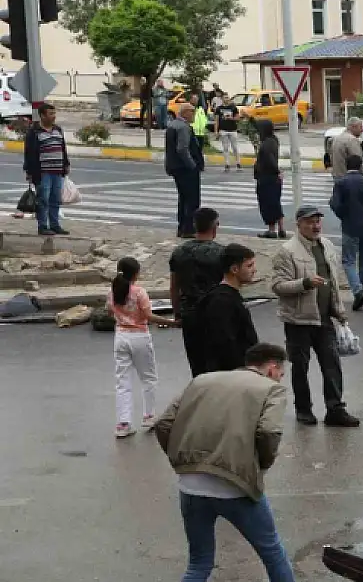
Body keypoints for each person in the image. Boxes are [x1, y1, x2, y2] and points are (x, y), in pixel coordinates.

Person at [154, 342, 296, 582]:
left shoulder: (201, 380)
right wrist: (261, 465)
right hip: (236, 485)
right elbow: (269, 432)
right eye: (281, 374)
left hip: (190, 485)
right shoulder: (271, 389)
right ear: (272, 368)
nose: (280, 379)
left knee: (199, 563)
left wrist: (182, 461)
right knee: (273, 553)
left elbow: (164, 423)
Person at [270, 206, 359, 427]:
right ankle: (303, 409)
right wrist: (305, 283)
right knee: (300, 367)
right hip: (298, 320)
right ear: (299, 224)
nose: (315, 225)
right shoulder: (287, 251)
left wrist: (339, 311)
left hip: (324, 318)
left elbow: (334, 283)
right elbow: (277, 286)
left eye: (318, 221)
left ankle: (335, 409)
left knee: (332, 365)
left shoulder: (326, 245)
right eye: (310, 222)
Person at [108, 257, 178, 438]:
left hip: (121, 336)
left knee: (122, 381)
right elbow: (148, 316)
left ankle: (123, 424)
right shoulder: (139, 292)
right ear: (136, 273)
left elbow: (110, 311)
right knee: (148, 377)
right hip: (139, 336)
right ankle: (148, 415)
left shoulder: (113, 291)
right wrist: (171, 322)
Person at [169, 208, 224, 377]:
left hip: (189, 314)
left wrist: (177, 313)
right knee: (218, 365)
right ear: (215, 226)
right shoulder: (221, 253)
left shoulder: (179, 252)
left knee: (197, 365)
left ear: (194, 225)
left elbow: (174, 287)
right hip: (216, 315)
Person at [330, 154, 363, 311]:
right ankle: (362, 289)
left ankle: (357, 290)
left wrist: (344, 215)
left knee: (348, 260)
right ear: (360, 166)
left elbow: (335, 204)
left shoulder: (341, 183)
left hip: (349, 226)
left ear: (347, 165)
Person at [198, 243, 259, 373]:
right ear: (234, 269)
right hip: (232, 373)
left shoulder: (230, 295)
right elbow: (225, 343)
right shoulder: (221, 301)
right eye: (249, 266)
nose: (254, 270)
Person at [23, 102, 72, 236]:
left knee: (55, 199)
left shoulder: (57, 129)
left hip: (57, 171)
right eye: (51, 114)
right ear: (42, 116)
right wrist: (29, 171)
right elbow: (29, 152)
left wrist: (66, 164)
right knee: (43, 199)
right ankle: (43, 226)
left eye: (54, 113)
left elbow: (63, 148)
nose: (54, 116)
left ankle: (55, 225)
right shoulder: (34, 132)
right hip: (42, 172)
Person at [166, 103, 203, 238]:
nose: (194, 115)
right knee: (191, 200)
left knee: (183, 199)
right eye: (192, 112)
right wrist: (192, 165)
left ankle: (182, 227)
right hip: (185, 169)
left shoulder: (173, 125)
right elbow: (182, 149)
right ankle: (188, 229)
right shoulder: (183, 127)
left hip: (176, 168)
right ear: (185, 113)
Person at [253, 119, 287, 239]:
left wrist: (277, 171)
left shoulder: (266, 144)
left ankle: (272, 230)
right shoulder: (273, 140)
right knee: (275, 202)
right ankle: (281, 228)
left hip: (266, 178)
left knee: (267, 204)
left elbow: (269, 160)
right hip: (273, 178)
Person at [213, 94, 241, 172]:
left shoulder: (233, 108)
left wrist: (231, 118)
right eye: (225, 97)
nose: (227, 99)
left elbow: (238, 118)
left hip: (233, 130)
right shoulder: (219, 108)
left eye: (228, 97)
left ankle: (238, 163)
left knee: (235, 147)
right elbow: (216, 120)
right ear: (222, 99)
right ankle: (227, 164)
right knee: (225, 148)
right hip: (223, 130)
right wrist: (216, 131)